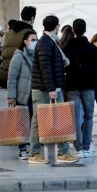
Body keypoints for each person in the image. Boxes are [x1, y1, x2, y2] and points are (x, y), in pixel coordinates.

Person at [27, 15, 80, 164]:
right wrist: (51, 88)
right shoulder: (45, 42)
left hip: (53, 87)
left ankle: (63, 152)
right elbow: (45, 67)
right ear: (56, 26)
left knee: (60, 119)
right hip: (44, 89)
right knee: (38, 121)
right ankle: (34, 152)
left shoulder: (51, 41)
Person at [64, 19, 97, 157]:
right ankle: (86, 145)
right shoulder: (91, 48)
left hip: (72, 85)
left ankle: (78, 148)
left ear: (73, 30)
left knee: (76, 117)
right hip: (88, 85)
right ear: (85, 30)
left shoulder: (67, 47)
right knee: (89, 116)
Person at [8, 29, 37, 159]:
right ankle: (22, 148)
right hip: (22, 94)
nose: (35, 42)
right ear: (25, 42)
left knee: (34, 121)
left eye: (37, 40)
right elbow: (12, 77)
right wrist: (11, 95)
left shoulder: (38, 55)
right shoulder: (19, 55)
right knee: (22, 121)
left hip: (35, 93)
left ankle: (32, 146)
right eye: (33, 40)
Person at [0, 6, 36, 89]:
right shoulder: (30, 33)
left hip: (8, 70)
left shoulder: (9, 32)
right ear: (32, 18)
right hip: (24, 71)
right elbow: (33, 53)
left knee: (12, 98)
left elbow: (4, 52)